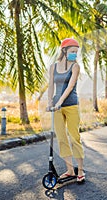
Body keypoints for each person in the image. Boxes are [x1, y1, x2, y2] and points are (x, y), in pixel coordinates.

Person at [47, 38, 85, 183]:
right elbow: (51, 85)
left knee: (74, 138)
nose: (75, 54)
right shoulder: (53, 67)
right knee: (62, 138)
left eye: (76, 52)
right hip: (56, 106)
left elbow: (70, 87)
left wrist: (60, 102)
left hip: (71, 105)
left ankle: (80, 171)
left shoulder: (75, 67)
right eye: (72, 51)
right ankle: (70, 170)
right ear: (64, 50)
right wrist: (50, 101)